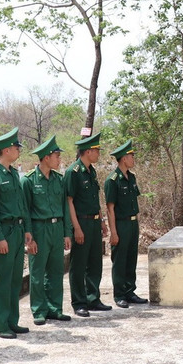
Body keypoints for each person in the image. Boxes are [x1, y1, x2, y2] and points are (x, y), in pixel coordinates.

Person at [0, 127, 32, 339]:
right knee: (1, 280)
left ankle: (12, 321)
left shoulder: (13, 174)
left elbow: (22, 204)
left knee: (14, 279)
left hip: (18, 230)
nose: (18, 149)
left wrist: (27, 229)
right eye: (15, 146)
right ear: (6, 150)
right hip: (4, 232)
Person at [21, 135, 73, 325]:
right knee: (37, 272)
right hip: (39, 229)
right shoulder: (28, 181)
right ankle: (39, 310)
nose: (60, 160)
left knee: (56, 271)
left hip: (56, 228)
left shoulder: (59, 180)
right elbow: (25, 210)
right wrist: (29, 238)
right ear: (46, 158)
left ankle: (55, 308)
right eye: (57, 156)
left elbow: (65, 209)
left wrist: (67, 233)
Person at [65, 132, 111, 317]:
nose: (98, 154)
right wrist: (76, 228)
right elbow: (69, 202)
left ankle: (93, 298)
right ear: (88, 151)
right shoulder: (73, 172)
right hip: (81, 222)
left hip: (93, 222)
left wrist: (102, 221)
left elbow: (95, 199)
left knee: (95, 263)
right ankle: (79, 302)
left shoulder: (91, 171)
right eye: (96, 150)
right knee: (79, 265)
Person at [105, 140, 148, 308]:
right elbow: (110, 208)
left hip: (132, 223)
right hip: (121, 224)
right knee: (120, 260)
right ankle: (119, 294)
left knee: (131, 259)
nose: (133, 159)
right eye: (131, 156)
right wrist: (113, 232)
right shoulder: (113, 180)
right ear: (123, 159)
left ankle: (130, 291)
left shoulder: (132, 177)